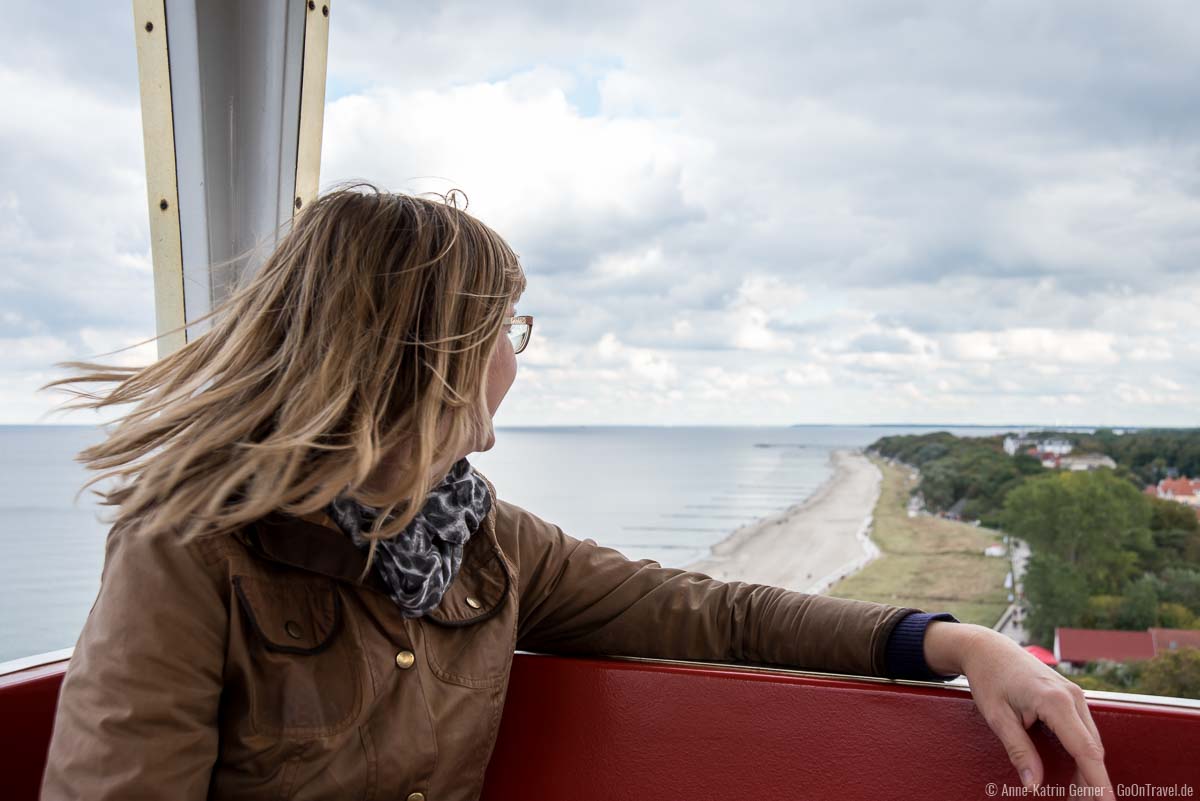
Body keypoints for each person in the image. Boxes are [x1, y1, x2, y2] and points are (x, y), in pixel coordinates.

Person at [39, 183, 1112, 800]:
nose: (517, 355)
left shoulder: (476, 539)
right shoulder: (188, 553)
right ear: (427, 356)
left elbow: (711, 610)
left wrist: (958, 644)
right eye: (505, 330)